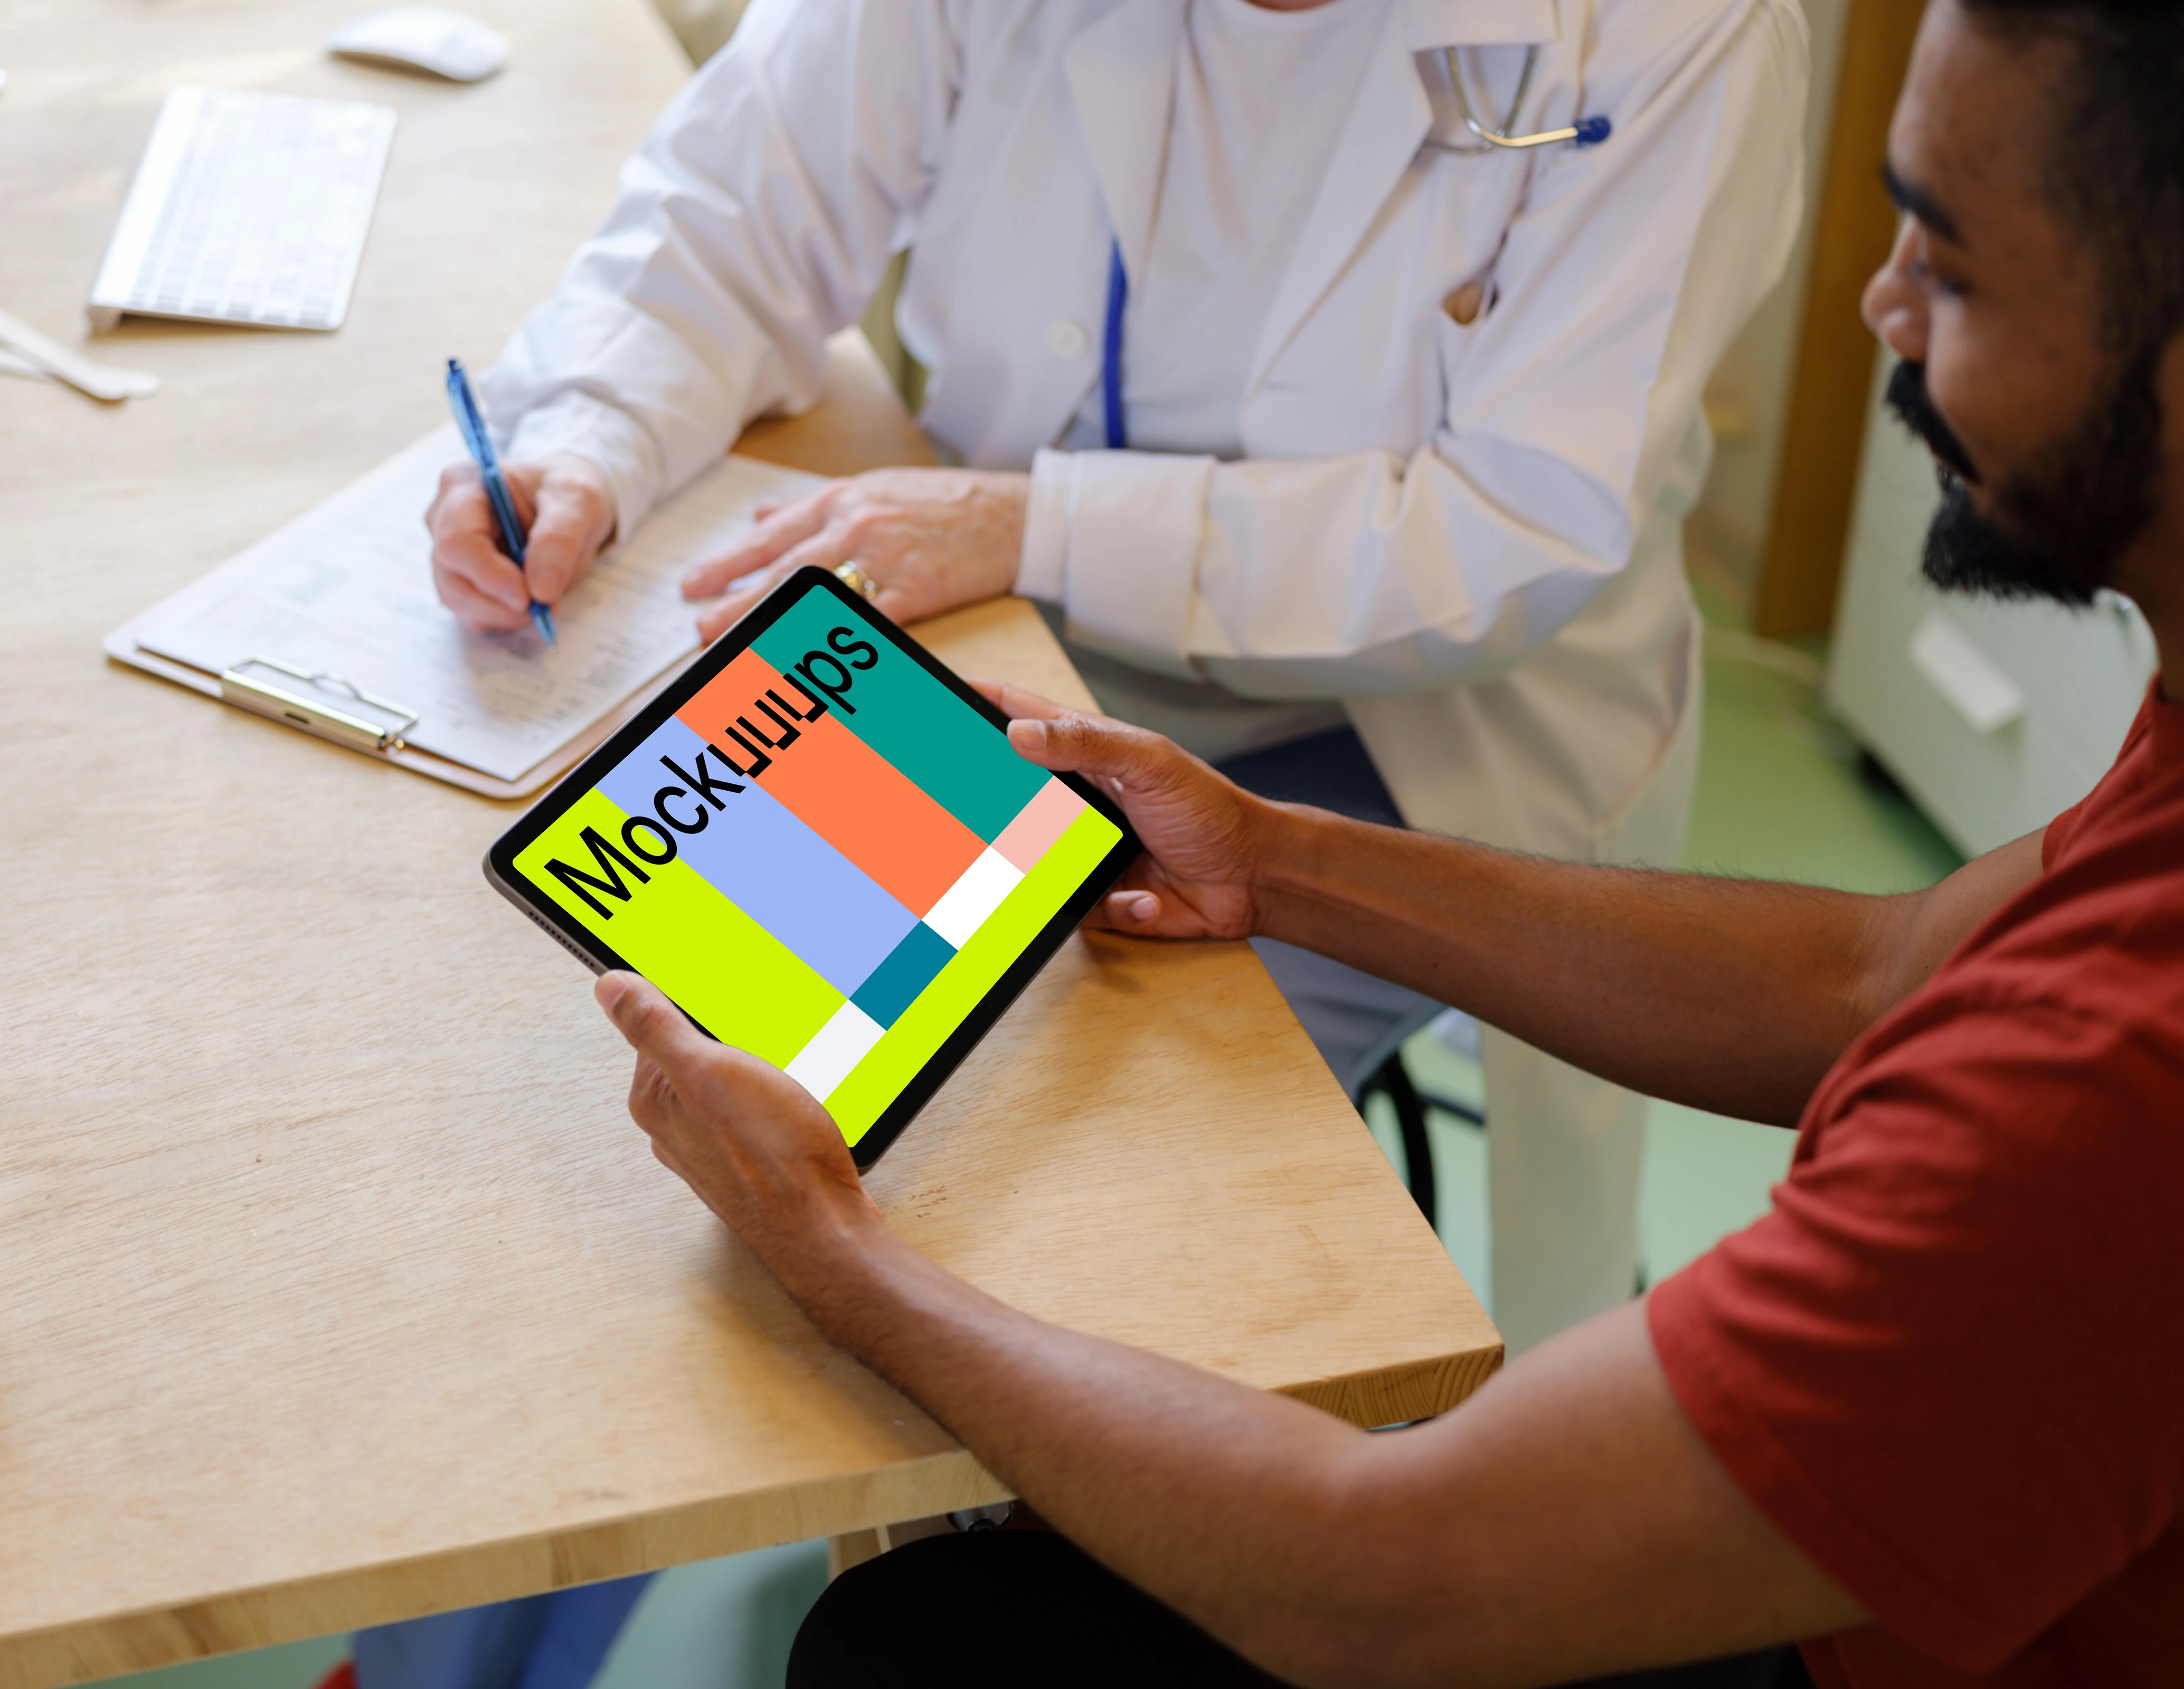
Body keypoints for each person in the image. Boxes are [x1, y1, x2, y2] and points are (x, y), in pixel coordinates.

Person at [563, 0, 2184, 1680]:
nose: (1881, 303)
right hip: (1109, 683)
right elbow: (1883, 969)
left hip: (1791, 1635)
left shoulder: (2113, 1085)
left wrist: (838, 1255)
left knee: (920, 1631)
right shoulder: (2155, 788)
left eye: (1959, 265)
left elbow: (1385, 1579)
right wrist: (1278, 862)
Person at [430, 0, 1811, 1361]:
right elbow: (734, 213)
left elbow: (1510, 531)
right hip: (1001, 650)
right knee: (708, 1088)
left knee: (1078, 1225)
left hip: (1396, 739)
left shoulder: (1676, 28)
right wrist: (592, 437)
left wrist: (1041, 523)